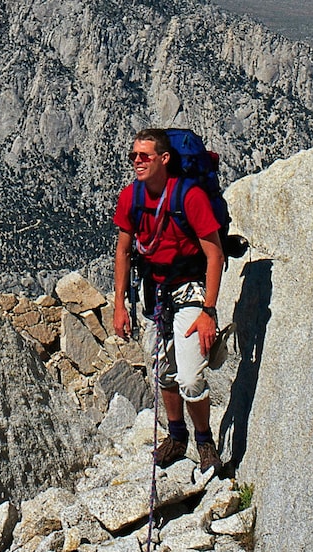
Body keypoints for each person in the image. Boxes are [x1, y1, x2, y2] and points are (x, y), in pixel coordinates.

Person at [112, 128, 224, 476]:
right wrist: (119, 303)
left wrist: (208, 310)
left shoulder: (189, 197)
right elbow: (123, 250)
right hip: (157, 294)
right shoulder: (131, 197)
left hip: (189, 290)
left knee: (190, 378)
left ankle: (205, 442)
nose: (137, 162)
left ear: (164, 159)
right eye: (133, 156)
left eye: (144, 156)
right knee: (163, 371)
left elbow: (215, 253)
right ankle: (177, 437)